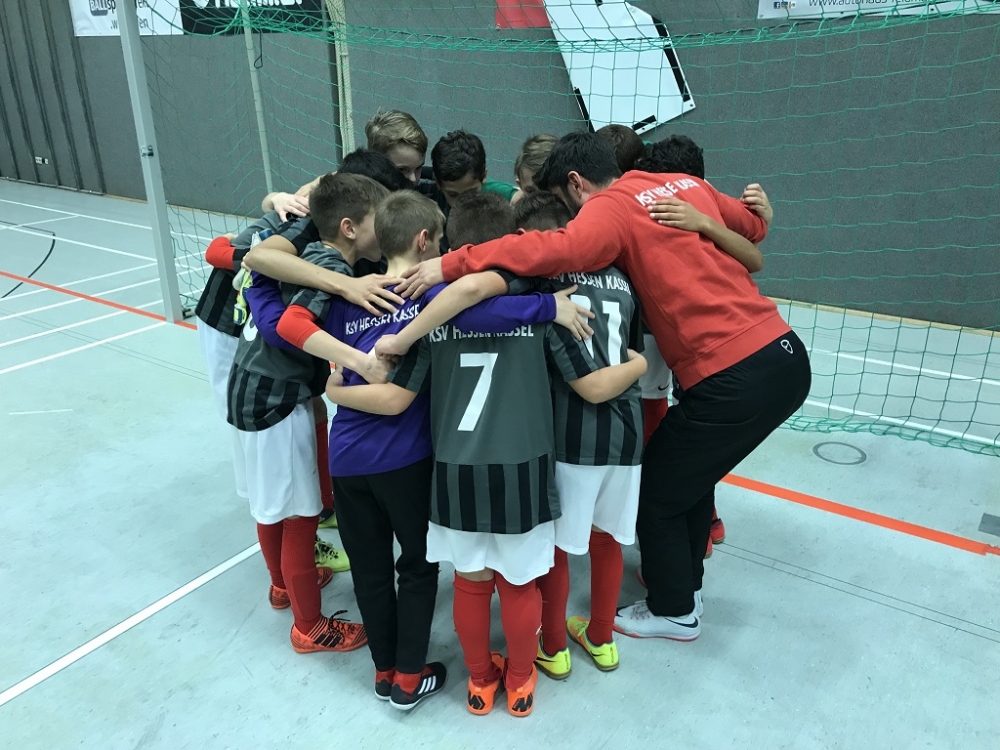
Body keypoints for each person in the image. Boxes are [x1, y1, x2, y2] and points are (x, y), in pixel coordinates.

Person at [396, 131, 812, 642]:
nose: (575, 217)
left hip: (731, 372)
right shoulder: (681, 183)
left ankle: (674, 610)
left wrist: (451, 262)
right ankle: (687, 590)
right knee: (685, 481)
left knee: (659, 494)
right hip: (782, 351)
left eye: (570, 204)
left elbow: (557, 247)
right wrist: (761, 211)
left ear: (577, 183)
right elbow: (752, 227)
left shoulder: (609, 209)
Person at [374, 192, 647, 717]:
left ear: (454, 248)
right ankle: (520, 682)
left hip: (455, 469)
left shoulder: (433, 316)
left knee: (471, 582)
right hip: (524, 469)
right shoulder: (549, 310)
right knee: (521, 583)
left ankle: (480, 683)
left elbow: (402, 391)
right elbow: (586, 383)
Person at [228, 173, 389, 654]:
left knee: (270, 505)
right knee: (300, 514)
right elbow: (293, 327)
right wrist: (359, 361)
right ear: (349, 228)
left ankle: (283, 585)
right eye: (378, 219)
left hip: (249, 386)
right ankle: (309, 627)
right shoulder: (328, 263)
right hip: (277, 399)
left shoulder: (304, 255)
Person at [510, 192, 645, 678]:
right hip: (627, 437)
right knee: (608, 540)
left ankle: (553, 647)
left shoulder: (549, 288)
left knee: (558, 547)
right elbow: (631, 351)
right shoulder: (623, 279)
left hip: (573, 438)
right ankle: (602, 638)